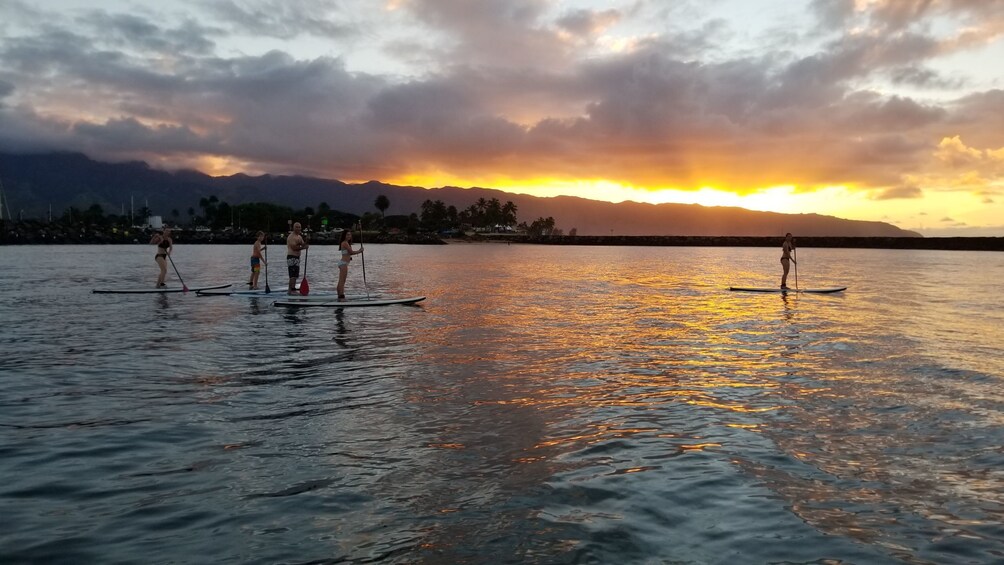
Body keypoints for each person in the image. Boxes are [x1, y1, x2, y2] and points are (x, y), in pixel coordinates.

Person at [336, 228, 364, 300]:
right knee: (342, 281)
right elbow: (351, 252)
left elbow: (348, 254)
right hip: (343, 264)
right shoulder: (345, 243)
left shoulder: (346, 243)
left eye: (350, 235)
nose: (349, 236)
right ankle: (341, 295)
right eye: (347, 235)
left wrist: (350, 257)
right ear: (344, 236)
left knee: (341, 280)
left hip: (343, 263)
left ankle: (339, 295)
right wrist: (360, 251)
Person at [286, 222, 309, 295]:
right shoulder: (291, 237)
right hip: (291, 257)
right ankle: (291, 290)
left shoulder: (299, 237)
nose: (298, 228)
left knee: (295, 275)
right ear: (293, 228)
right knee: (292, 275)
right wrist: (303, 248)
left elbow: (303, 244)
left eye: (299, 227)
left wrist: (307, 240)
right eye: (296, 227)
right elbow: (294, 248)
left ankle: (292, 290)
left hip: (297, 258)